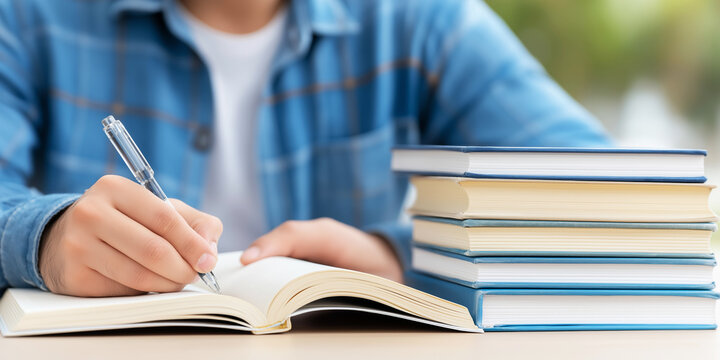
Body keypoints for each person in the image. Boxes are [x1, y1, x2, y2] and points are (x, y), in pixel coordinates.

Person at [0, 0, 610, 296]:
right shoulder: (28, 17)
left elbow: (608, 197)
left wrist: (398, 259)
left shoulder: (421, 18)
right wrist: (46, 238)